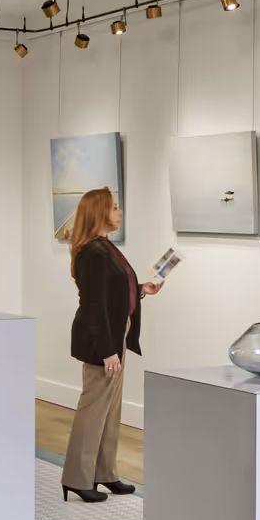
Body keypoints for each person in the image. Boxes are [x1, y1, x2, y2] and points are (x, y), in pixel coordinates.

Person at [62, 187, 161, 502]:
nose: (120, 212)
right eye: (115, 207)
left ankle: (105, 473)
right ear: (99, 213)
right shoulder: (92, 252)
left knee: (110, 409)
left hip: (116, 333)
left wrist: (141, 288)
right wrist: (107, 351)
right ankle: (77, 478)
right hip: (101, 339)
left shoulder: (105, 247)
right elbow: (93, 305)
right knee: (93, 409)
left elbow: (115, 289)